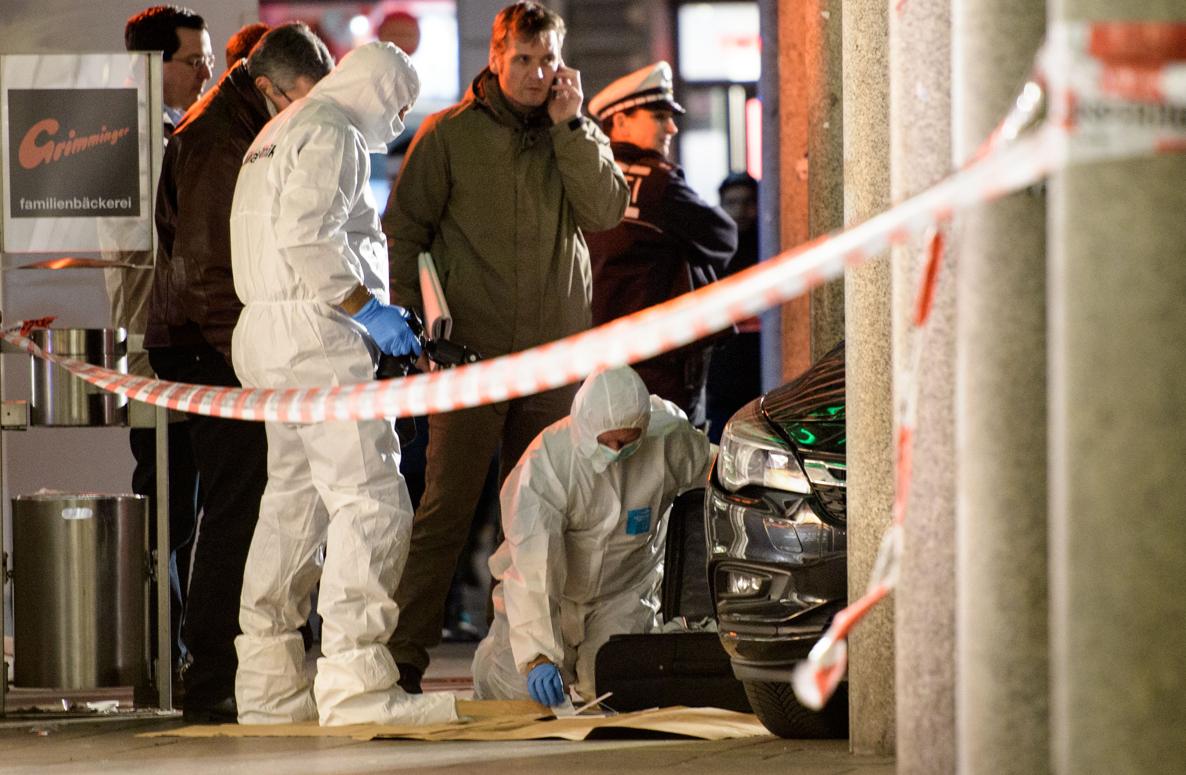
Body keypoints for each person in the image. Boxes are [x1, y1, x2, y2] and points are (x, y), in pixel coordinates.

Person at [382, 1, 629, 692]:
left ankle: (529, 660)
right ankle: (402, 657)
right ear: (495, 59)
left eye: (547, 59)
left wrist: (572, 127)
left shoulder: (573, 130)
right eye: (522, 59)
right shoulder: (450, 135)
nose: (535, 73)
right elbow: (403, 232)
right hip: (470, 359)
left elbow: (607, 211)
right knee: (446, 511)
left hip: (552, 362)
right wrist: (418, 330)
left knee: (543, 519)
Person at [229, 41, 456, 727]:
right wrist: (370, 311)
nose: (402, 116)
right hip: (317, 336)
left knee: (293, 505)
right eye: (402, 101)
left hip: (267, 337)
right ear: (378, 88)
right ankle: (357, 684)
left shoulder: (276, 131)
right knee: (372, 501)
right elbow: (308, 237)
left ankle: (268, 686)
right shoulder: (334, 131)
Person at [148, 22, 334, 724]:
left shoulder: (238, 125)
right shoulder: (221, 140)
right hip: (213, 347)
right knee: (238, 511)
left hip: (218, 343)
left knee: (245, 507)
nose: (306, 115)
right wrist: (255, 357)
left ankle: (224, 667)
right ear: (266, 86)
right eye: (298, 100)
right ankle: (213, 677)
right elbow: (205, 271)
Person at [471, 365, 712, 704]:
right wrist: (538, 656)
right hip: (555, 596)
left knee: (614, 690)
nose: (617, 451)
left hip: (624, 592)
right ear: (585, 427)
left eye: (628, 442)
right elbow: (534, 567)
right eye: (608, 441)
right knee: (518, 694)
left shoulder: (669, 440)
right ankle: (489, 664)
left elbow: (717, 471)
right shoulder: (547, 464)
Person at [106, 4, 212, 679]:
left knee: (180, 501)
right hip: (155, 353)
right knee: (165, 502)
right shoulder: (135, 144)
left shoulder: (173, 135)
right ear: (153, 64)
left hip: (178, 348)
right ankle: (161, 655)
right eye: (193, 60)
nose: (206, 71)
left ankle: (170, 649)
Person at [585, 61, 737, 428]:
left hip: (591, 366)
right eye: (658, 116)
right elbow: (724, 236)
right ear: (619, 121)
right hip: (662, 369)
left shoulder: (584, 178)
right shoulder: (656, 184)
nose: (671, 127)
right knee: (673, 471)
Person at [706, 172, 762, 442]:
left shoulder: (768, 246)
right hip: (724, 378)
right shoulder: (712, 251)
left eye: (748, 202)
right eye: (732, 202)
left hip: (761, 371)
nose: (740, 210)